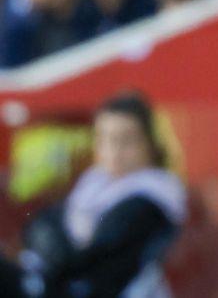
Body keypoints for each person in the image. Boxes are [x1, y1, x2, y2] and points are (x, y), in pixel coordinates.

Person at [0, 91, 187, 297]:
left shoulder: (152, 197)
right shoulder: (95, 182)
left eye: (126, 140)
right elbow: (42, 224)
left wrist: (54, 249)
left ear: (150, 144)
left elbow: (96, 256)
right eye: (105, 138)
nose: (114, 151)